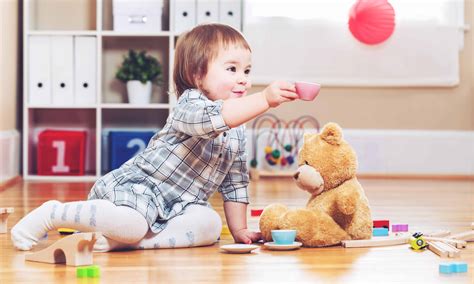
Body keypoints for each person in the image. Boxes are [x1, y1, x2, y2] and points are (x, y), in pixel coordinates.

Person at [11, 23, 298, 252]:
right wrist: (265, 99)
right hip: (140, 192)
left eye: (247, 70)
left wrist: (239, 231)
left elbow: (235, 183)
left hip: (180, 206)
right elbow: (219, 118)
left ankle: (127, 243)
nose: (243, 78)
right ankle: (53, 213)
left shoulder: (238, 130)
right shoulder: (190, 105)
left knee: (210, 226)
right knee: (134, 223)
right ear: (198, 76)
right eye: (232, 69)